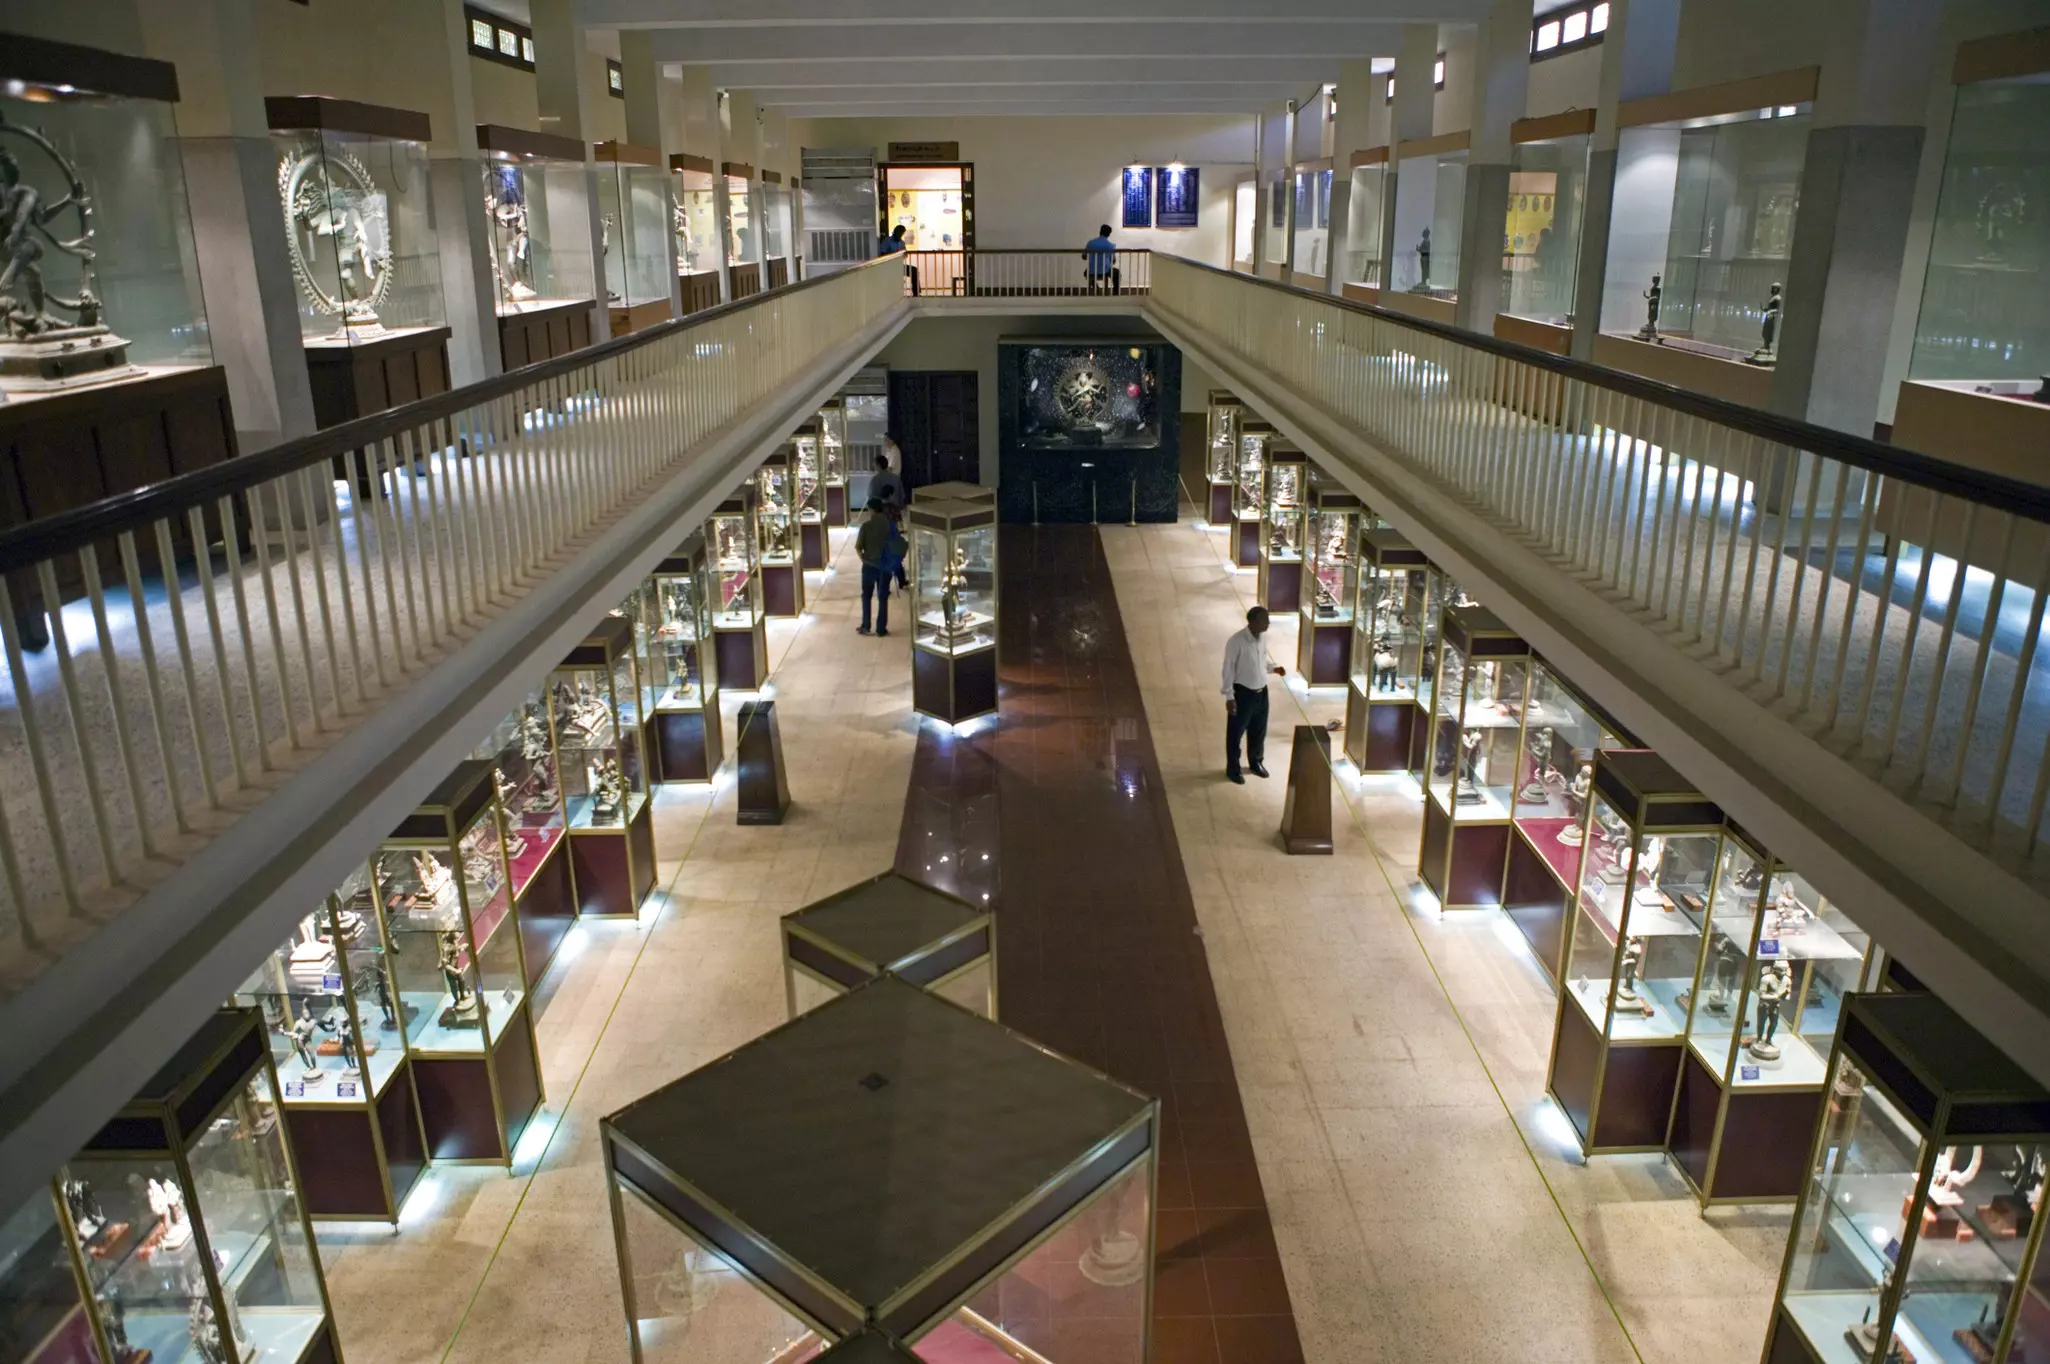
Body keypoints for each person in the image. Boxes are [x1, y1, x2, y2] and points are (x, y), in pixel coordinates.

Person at [1221, 606, 1287, 784]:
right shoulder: (1236, 642)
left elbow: (1262, 661)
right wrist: (1229, 696)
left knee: (1259, 731)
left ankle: (1256, 762)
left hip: (1261, 692)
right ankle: (1233, 769)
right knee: (1236, 733)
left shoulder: (1262, 638)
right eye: (1265, 620)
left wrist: (1274, 668)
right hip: (1243, 694)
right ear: (1252, 622)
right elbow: (1228, 670)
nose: (1268, 624)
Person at [855, 498, 897, 636]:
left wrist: (864, 559)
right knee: (882, 597)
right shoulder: (890, 526)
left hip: (869, 566)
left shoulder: (866, 526)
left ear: (871, 509)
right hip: (885, 566)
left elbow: (858, 547)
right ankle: (881, 629)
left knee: (866, 595)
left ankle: (866, 625)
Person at [879, 223, 918, 296]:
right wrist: (893, 255)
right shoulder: (887, 241)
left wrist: (904, 254)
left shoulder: (902, 242)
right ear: (895, 231)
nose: (900, 234)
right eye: (899, 232)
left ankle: (916, 293)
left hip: (898, 266)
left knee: (914, 270)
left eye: (902, 233)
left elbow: (905, 254)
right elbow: (882, 254)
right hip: (888, 266)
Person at [1084, 224, 1120, 293]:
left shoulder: (1090, 243)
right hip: (1105, 270)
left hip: (1092, 270)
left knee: (1086, 273)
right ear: (1109, 234)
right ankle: (1115, 293)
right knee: (1117, 274)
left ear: (1100, 232)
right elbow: (1113, 261)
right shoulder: (1110, 245)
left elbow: (1084, 257)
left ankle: (1096, 288)